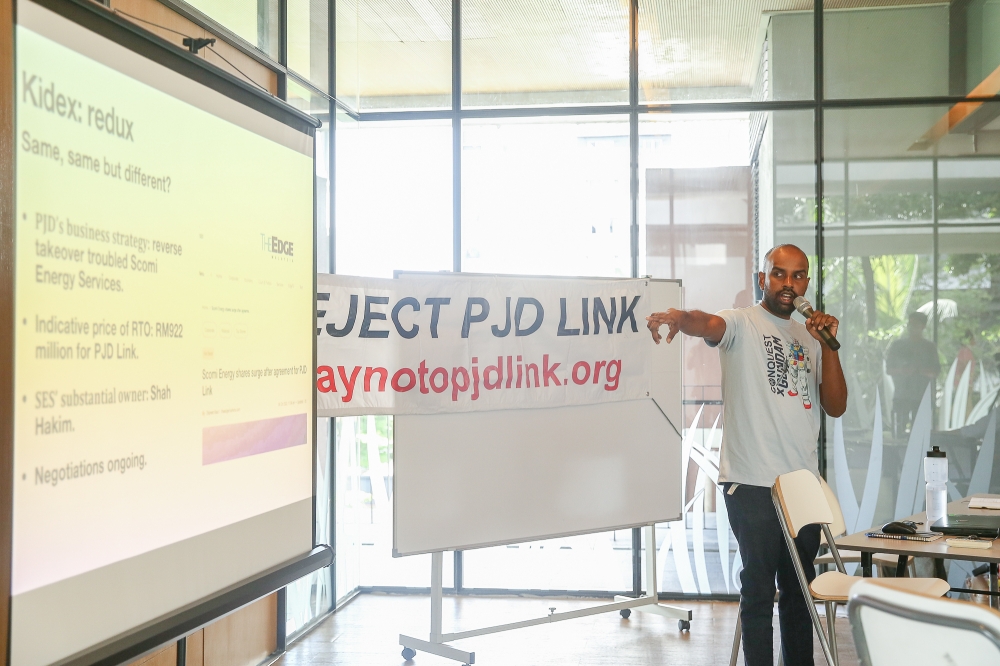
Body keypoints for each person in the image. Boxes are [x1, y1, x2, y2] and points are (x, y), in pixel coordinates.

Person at [646, 244, 847, 666]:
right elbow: (707, 323)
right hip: (752, 481)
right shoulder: (742, 323)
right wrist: (681, 318)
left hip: (801, 486)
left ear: (807, 282)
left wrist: (829, 347)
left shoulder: (811, 338)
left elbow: (836, 405)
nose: (788, 283)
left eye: (798, 275)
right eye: (779, 273)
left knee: (799, 592)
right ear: (762, 279)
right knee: (757, 589)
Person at [885, 312, 940, 435]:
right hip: (901, 396)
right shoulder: (897, 346)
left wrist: (920, 370)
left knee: (920, 434)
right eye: (910, 324)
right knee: (897, 432)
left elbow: (935, 372)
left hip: (921, 397)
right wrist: (903, 371)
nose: (911, 327)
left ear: (923, 326)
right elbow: (889, 370)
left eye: (915, 324)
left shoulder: (929, 347)